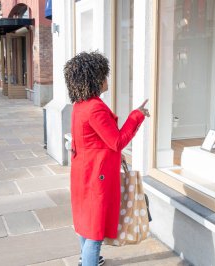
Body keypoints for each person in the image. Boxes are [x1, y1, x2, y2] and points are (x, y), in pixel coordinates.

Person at [64, 51, 149, 266]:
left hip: (83, 173)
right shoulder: (95, 108)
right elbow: (117, 142)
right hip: (96, 177)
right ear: (95, 79)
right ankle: (89, 261)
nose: (106, 79)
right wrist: (136, 115)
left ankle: (86, 260)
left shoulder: (80, 105)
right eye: (104, 75)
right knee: (95, 234)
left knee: (86, 223)